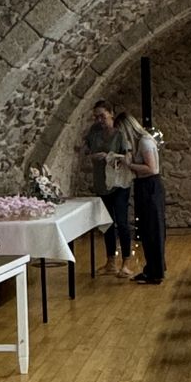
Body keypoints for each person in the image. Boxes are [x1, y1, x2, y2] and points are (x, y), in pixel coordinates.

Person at [85, 101, 135, 276]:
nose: (99, 120)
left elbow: (127, 157)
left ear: (111, 113)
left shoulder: (120, 134)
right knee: (107, 223)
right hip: (101, 182)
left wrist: (109, 156)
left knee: (121, 221)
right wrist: (93, 156)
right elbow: (86, 151)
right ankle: (110, 261)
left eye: (102, 116)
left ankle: (126, 261)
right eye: (96, 117)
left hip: (118, 183)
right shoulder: (94, 132)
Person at [116, 110, 166, 285]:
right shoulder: (137, 143)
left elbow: (152, 168)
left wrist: (130, 164)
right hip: (142, 185)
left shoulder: (145, 141)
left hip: (150, 186)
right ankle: (151, 268)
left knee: (153, 229)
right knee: (145, 229)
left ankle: (156, 272)